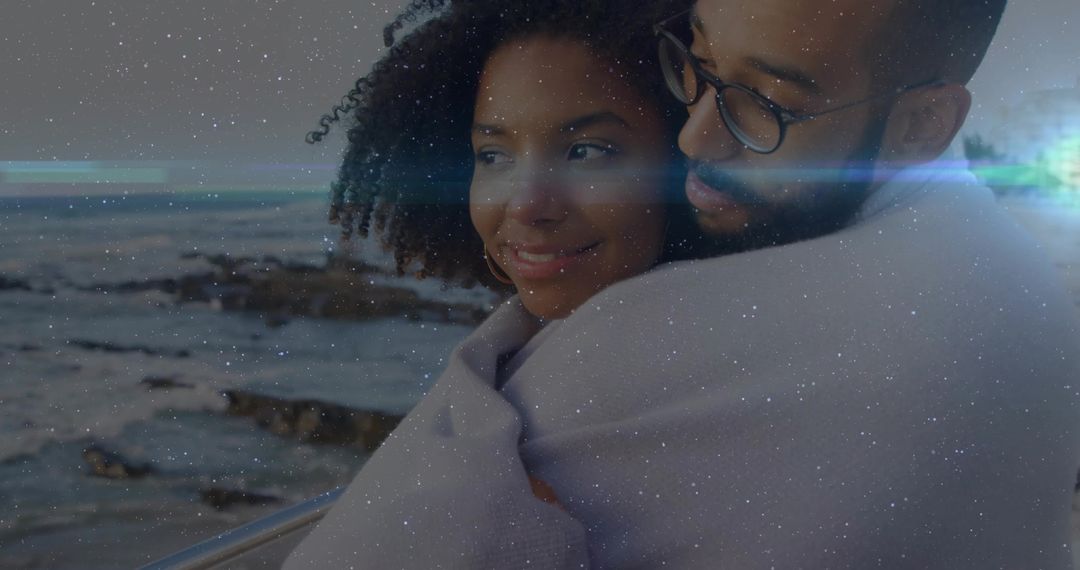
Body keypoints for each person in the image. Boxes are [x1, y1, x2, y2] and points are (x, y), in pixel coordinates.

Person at [485, 0, 1080, 567]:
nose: (696, 137)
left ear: (923, 125)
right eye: (701, 62)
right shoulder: (1019, 277)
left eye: (767, 104)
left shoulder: (665, 331)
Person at [285, 0, 700, 566]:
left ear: (690, 152)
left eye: (586, 151)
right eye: (494, 154)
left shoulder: (710, 380)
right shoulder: (515, 361)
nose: (526, 204)